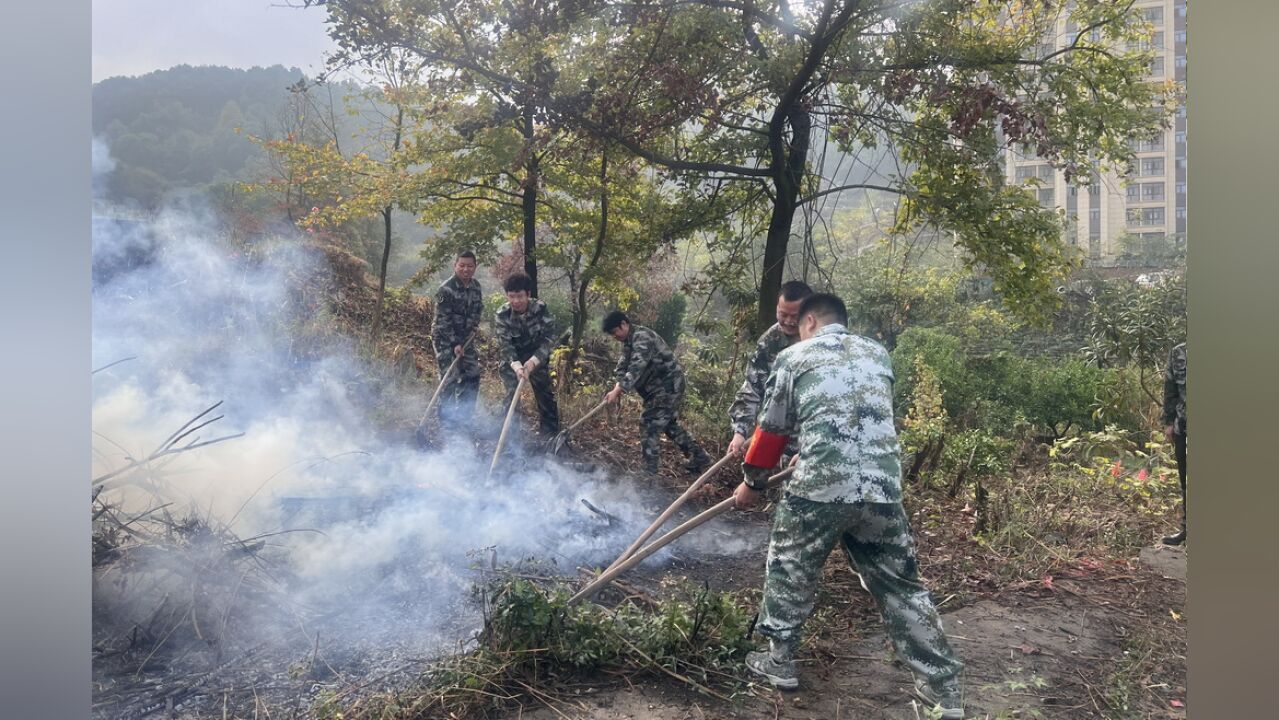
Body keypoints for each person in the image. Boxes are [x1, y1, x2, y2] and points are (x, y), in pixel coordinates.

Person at [734, 293, 964, 719]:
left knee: (790, 565)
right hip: (882, 488)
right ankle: (943, 691)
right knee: (902, 588)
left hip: (820, 489)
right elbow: (863, 418)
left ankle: (780, 661)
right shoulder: (878, 355)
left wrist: (752, 481)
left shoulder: (795, 356)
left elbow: (772, 430)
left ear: (809, 323)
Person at [602, 310, 713, 477]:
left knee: (648, 423)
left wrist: (619, 389)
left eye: (614, 332)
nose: (614, 336)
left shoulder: (642, 337)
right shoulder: (629, 342)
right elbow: (622, 367)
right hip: (655, 390)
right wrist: (619, 384)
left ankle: (649, 473)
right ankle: (700, 457)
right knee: (668, 425)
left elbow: (636, 367)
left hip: (668, 387)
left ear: (624, 324)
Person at [727, 280, 813, 457]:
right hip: (778, 437)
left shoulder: (822, 342)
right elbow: (752, 388)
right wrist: (740, 431)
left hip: (814, 438)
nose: (788, 321)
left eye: (794, 316)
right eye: (783, 314)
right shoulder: (770, 342)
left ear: (809, 314)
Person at [494, 274, 560, 436]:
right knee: (511, 398)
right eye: (512, 297)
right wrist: (517, 367)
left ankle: (550, 436)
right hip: (512, 360)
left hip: (536, 357)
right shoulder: (502, 314)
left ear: (528, 295)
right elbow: (505, 345)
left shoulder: (540, 309)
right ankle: (510, 437)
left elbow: (549, 339)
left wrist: (533, 362)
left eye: (520, 296)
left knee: (545, 396)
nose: (516, 301)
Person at [430, 250, 483, 427]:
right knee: (450, 377)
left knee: (472, 374)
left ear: (475, 267)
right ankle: (446, 421)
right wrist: (454, 344)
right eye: (462, 265)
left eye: (470, 266)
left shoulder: (476, 287)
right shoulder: (446, 289)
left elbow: (477, 310)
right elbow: (442, 321)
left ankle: (464, 417)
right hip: (445, 339)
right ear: (455, 266)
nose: (466, 269)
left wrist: (474, 327)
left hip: (466, 338)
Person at [1161, 342, 1188, 545]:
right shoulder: (1179, 352)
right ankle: (1187, 530)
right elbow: (1170, 389)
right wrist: (1169, 422)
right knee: (1186, 480)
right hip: (1184, 427)